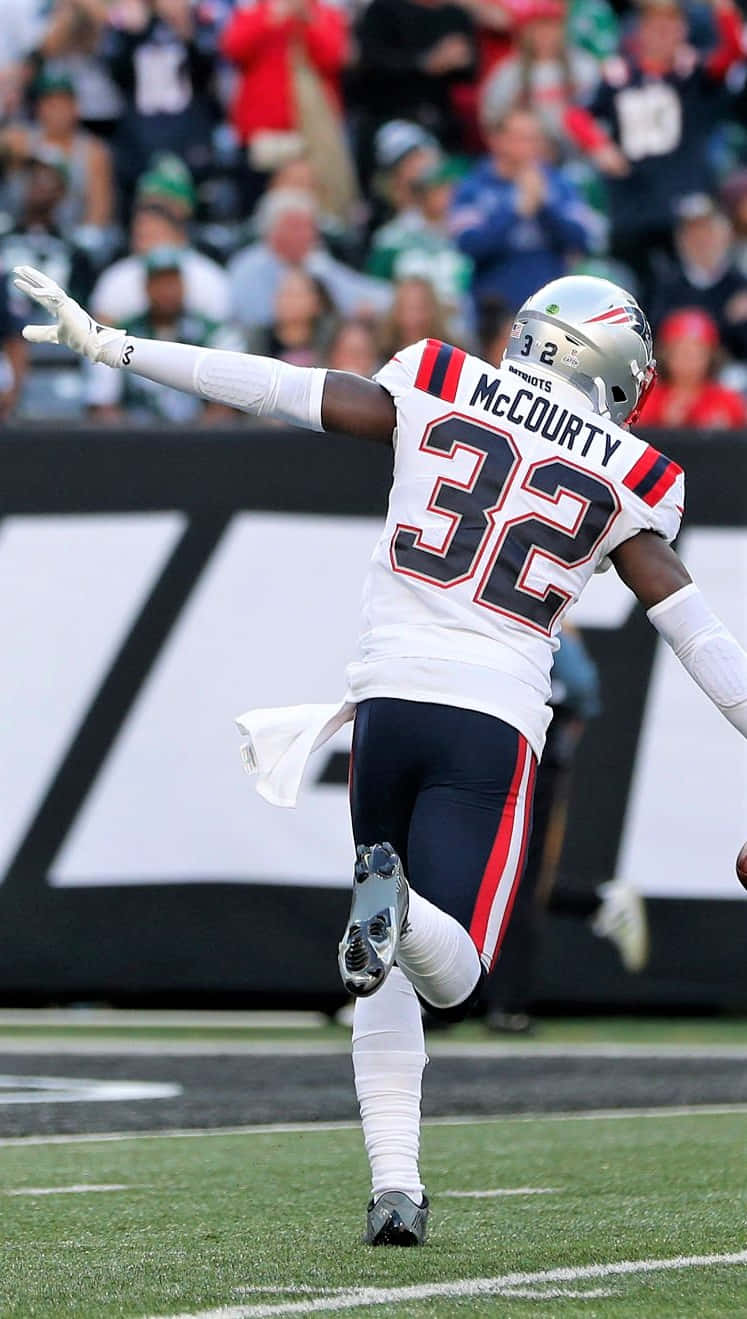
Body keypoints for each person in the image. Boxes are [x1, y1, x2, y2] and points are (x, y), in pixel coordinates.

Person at [14, 265, 747, 1248]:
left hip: (387, 706)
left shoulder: (440, 374)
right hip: (489, 714)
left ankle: (395, 1182)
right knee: (457, 973)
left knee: (387, 970)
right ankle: (394, 916)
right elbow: (696, 635)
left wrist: (118, 346)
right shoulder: (635, 471)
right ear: (612, 364)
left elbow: (280, 386)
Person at [584, 0, 744, 296]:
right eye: (656, 27)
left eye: (671, 26)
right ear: (641, 31)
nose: (664, 34)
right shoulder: (619, 75)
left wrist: (723, 9)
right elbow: (577, 114)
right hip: (633, 203)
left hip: (684, 202)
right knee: (634, 291)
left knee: (690, 289)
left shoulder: (693, 72)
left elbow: (734, 53)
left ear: (683, 31)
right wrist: (598, 144)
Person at [450, 108, 596, 309]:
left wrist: (544, 208)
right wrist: (516, 212)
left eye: (535, 138)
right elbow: (468, 245)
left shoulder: (559, 183)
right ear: (497, 140)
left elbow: (582, 239)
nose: (531, 147)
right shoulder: (474, 187)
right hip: (494, 305)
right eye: (521, 138)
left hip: (548, 304)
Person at [638, 308, 747, 429]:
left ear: (710, 356)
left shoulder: (727, 400)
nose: (689, 360)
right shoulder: (648, 398)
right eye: (681, 352)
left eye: (697, 353)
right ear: (666, 354)